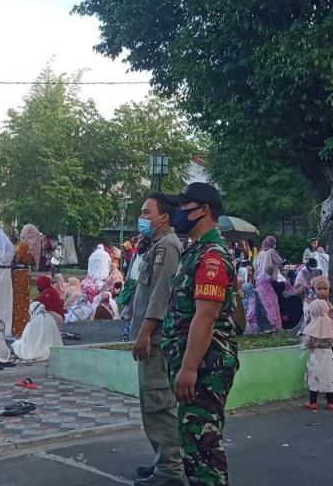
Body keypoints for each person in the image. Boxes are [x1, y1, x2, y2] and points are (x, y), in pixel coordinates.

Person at [158, 182, 239, 486]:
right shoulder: (198, 251)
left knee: (202, 450)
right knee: (194, 447)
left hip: (206, 366)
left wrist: (189, 368)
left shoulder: (212, 256)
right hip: (198, 363)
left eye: (183, 206)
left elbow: (205, 317)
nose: (177, 212)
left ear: (203, 210)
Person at [128, 193, 185, 486]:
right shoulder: (156, 246)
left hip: (156, 340)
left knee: (159, 405)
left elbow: (160, 296)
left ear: (163, 217)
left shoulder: (167, 247)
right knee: (152, 404)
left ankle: (170, 472)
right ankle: (163, 461)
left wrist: (145, 333)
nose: (142, 217)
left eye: (146, 212)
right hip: (150, 338)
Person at [301, 296, 333, 411]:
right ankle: (330, 403)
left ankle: (312, 403)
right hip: (328, 354)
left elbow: (307, 341)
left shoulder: (312, 324)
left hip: (315, 354)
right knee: (329, 377)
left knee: (314, 378)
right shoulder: (329, 322)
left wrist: (306, 346)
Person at [246, 236, 284, 334]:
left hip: (260, 279)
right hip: (270, 279)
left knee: (263, 301)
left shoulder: (261, 252)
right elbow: (279, 261)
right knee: (272, 301)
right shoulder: (272, 251)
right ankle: (273, 323)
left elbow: (255, 264)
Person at [11, 234, 37, 337]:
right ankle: (23, 328)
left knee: (17, 301)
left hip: (18, 275)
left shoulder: (20, 247)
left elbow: (15, 260)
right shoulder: (29, 249)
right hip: (26, 275)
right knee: (24, 302)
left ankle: (17, 329)